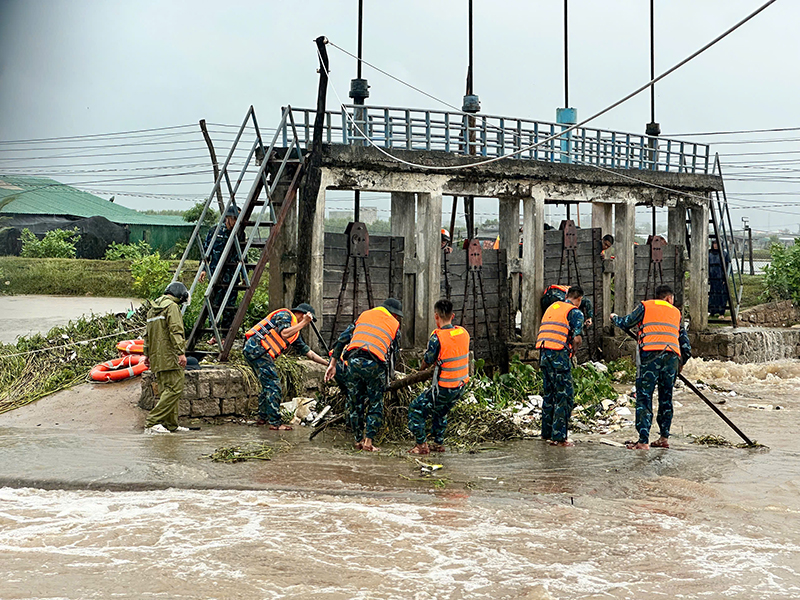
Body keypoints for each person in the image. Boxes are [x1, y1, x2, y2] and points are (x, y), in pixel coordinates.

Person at [611, 284, 691, 450]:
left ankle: (643, 440)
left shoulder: (645, 306)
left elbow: (626, 322)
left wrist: (614, 318)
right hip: (671, 358)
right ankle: (664, 437)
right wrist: (681, 363)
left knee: (644, 396)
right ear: (669, 299)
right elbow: (685, 345)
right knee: (666, 398)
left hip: (650, 356)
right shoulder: (676, 313)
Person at [324, 298, 403, 452]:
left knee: (355, 402)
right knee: (375, 402)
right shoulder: (394, 325)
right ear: (393, 314)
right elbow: (394, 354)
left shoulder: (364, 316)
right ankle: (369, 442)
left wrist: (332, 364)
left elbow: (341, 340)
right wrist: (390, 376)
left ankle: (358, 440)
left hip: (353, 362)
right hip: (375, 364)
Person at [243, 303, 329, 429]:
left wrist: (329, 363)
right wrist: (303, 323)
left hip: (260, 353)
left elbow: (309, 353)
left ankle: (263, 417)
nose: (307, 325)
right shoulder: (285, 315)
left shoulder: (295, 334)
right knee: (274, 385)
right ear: (302, 314)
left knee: (267, 385)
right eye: (308, 320)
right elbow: (284, 334)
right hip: (257, 349)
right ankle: (275, 424)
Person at [407, 299, 470, 455]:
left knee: (416, 409)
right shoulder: (463, 333)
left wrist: (418, 373)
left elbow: (428, 360)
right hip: (460, 385)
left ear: (436, 316)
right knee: (440, 411)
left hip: (445, 387)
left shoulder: (437, 337)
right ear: (453, 315)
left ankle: (421, 446)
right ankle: (437, 443)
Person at [536, 285, 584, 447]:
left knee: (549, 394)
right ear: (579, 299)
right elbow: (577, 338)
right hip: (559, 355)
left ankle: (546, 433)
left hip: (543, 353)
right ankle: (559, 437)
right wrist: (573, 353)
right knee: (564, 395)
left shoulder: (553, 307)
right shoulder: (575, 312)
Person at [143, 282, 190, 433]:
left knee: (166, 390)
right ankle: (152, 421)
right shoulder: (172, 307)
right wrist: (180, 352)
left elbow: (147, 334)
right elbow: (176, 330)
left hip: (157, 356)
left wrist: (147, 354)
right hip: (170, 356)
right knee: (175, 388)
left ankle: (171, 425)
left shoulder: (152, 309)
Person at [199, 204, 243, 344]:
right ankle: (214, 335)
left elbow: (242, 255)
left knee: (229, 306)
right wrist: (203, 270)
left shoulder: (239, 233)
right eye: (234, 218)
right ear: (228, 218)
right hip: (215, 275)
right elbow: (207, 252)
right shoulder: (214, 231)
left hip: (232, 276)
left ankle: (224, 336)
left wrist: (243, 274)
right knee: (215, 305)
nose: (236, 221)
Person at [708, 240, 730, 317]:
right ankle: (712, 311)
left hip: (721, 278)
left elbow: (728, 267)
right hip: (712, 278)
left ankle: (721, 313)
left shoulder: (724, 254)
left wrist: (725, 278)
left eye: (717, 244)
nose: (715, 245)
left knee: (722, 295)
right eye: (714, 243)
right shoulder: (709, 254)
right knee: (712, 295)